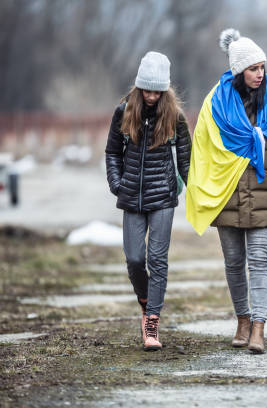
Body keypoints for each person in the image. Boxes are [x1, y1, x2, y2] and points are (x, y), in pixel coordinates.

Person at [185, 29, 267, 354]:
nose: (260, 74)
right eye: (253, 68)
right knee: (234, 262)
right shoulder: (216, 102)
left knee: (259, 261)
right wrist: (198, 186)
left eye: (262, 67)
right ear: (238, 71)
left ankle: (259, 328)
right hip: (227, 192)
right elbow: (203, 147)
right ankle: (243, 320)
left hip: (265, 192)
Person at [105, 51, 190, 351]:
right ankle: (144, 300)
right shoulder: (124, 112)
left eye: (158, 90)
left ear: (165, 89)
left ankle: (152, 322)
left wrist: (192, 191)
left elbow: (185, 159)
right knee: (134, 259)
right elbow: (112, 152)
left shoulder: (175, 116)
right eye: (148, 90)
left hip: (164, 197)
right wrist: (117, 183)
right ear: (140, 87)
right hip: (131, 197)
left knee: (157, 259)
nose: (152, 96)